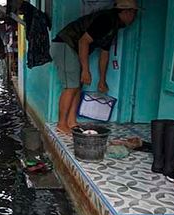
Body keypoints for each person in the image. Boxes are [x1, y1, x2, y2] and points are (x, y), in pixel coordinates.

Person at [51, 0, 138, 134]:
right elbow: (83, 41)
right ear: (126, 12)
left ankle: (71, 122)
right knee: (71, 86)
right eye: (134, 13)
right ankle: (61, 124)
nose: (135, 17)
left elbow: (105, 53)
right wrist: (86, 70)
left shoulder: (115, 25)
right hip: (65, 45)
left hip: (72, 49)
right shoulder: (106, 19)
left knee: (77, 85)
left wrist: (102, 79)